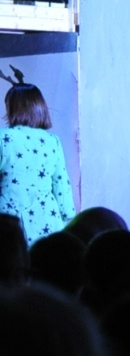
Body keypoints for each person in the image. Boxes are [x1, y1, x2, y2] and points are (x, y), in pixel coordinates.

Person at [1, 67, 76, 246]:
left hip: (9, 226)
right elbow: (61, 185)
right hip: (48, 222)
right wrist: (69, 216)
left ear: (12, 108)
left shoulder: (3, 138)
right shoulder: (52, 141)